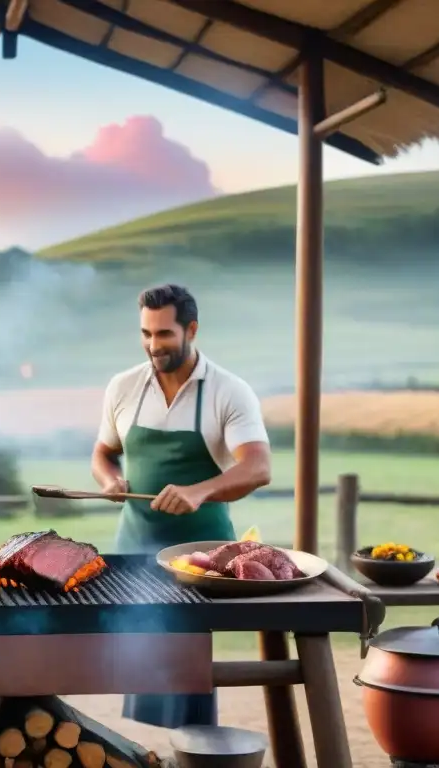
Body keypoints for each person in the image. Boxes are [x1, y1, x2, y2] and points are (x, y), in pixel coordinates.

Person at [91, 284, 272, 730]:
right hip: (132, 552)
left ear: (191, 329)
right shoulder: (123, 387)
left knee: (188, 667)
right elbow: (103, 452)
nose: (154, 345)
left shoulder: (228, 391)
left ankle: (194, 750)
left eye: (165, 334)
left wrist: (200, 491)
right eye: (146, 334)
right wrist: (109, 480)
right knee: (138, 662)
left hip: (200, 557)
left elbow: (258, 467)